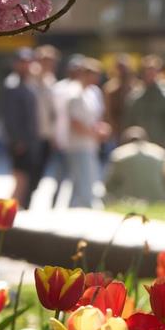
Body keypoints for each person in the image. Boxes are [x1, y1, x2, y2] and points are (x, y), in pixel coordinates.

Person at [66, 58, 111, 208]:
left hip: (92, 145)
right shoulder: (75, 94)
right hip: (78, 145)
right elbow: (75, 123)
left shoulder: (94, 93)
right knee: (85, 185)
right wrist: (94, 134)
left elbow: (96, 117)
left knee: (81, 184)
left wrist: (101, 129)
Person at [2, 48, 42, 209]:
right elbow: (10, 116)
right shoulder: (12, 85)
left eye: (28, 62)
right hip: (20, 143)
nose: (26, 66)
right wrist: (17, 140)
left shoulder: (29, 84)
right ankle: (4, 216)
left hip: (30, 142)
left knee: (26, 181)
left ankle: (13, 213)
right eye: (23, 62)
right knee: (20, 180)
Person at [123, 55, 165, 148]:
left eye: (153, 70)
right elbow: (129, 124)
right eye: (146, 71)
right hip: (139, 148)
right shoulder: (134, 97)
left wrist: (163, 145)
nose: (149, 74)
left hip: (162, 148)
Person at [50, 55, 84, 207]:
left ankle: (73, 208)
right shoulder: (59, 88)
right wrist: (54, 137)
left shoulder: (85, 89)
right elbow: (53, 115)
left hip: (78, 142)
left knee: (78, 179)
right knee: (58, 178)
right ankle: (53, 207)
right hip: (61, 141)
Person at [28, 45, 60, 202]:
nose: (50, 64)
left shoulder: (51, 80)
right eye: (47, 61)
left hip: (46, 134)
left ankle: (27, 202)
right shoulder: (31, 77)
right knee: (30, 172)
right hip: (33, 134)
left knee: (39, 173)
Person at [104, 126, 165, 203]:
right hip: (158, 200)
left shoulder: (119, 154)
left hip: (128, 200)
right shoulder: (161, 153)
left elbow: (109, 185)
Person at [103, 53, 138, 146]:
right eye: (120, 68)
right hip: (117, 132)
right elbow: (108, 113)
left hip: (134, 130)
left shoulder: (137, 87)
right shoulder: (110, 89)